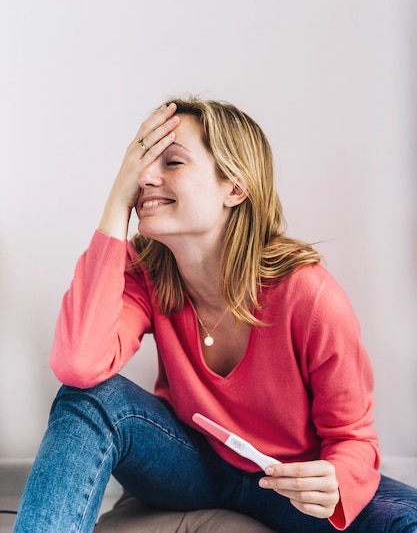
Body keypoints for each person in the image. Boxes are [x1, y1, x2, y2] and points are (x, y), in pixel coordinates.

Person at [13, 98, 417, 532]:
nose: (146, 177)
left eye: (172, 162)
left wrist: (336, 481)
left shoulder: (309, 295)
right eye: (142, 163)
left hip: (287, 484)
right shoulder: (143, 272)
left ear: (235, 187)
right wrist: (115, 203)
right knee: (91, 400)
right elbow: (78, 364)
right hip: (190, 467)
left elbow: (352, 437)